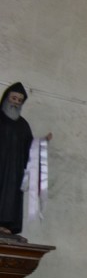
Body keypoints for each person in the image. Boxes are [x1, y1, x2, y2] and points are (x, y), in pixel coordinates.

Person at [0, 83, 34, 241]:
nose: (16, 102)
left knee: (10, 196)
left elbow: (30, 149)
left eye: (19, 100)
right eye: (13, 98)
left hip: (13, 172)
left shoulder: (23, 125)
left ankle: (5, 225)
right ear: (7, 98)